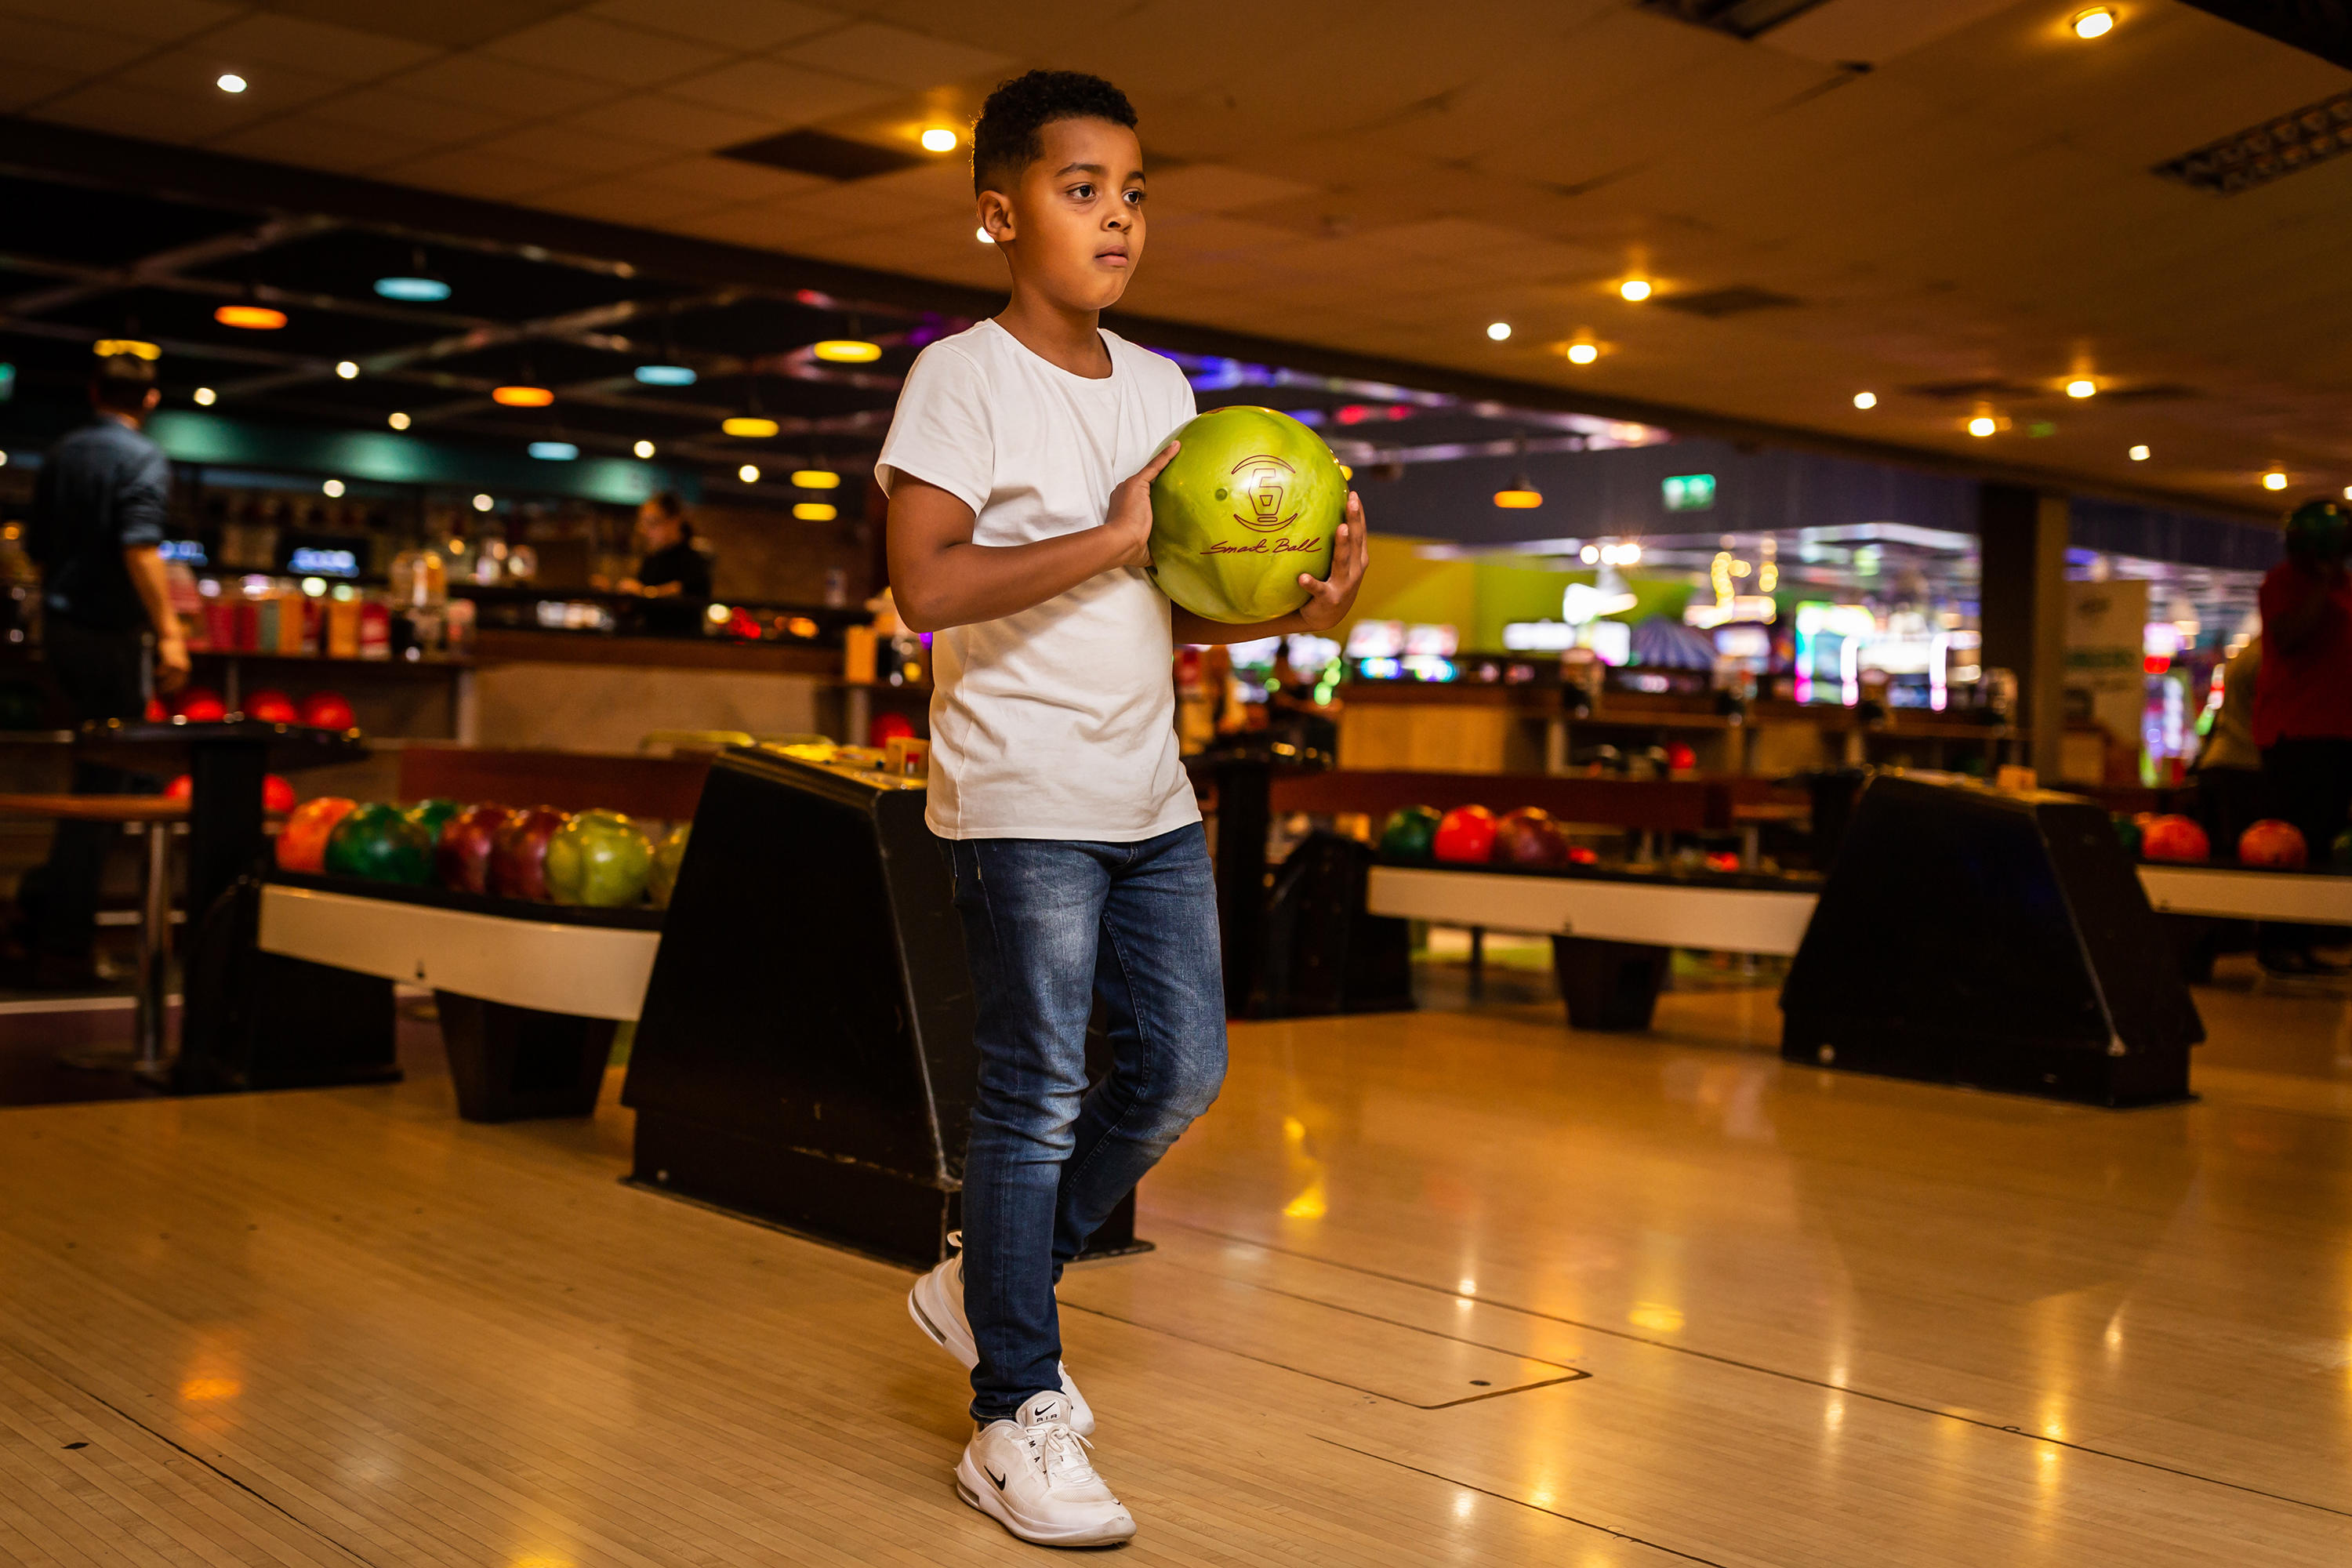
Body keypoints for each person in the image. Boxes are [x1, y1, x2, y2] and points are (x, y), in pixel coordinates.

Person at [878, 71, 1367, 1548]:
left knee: (1180, 1076)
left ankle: (985, 1286)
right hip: (1021, 789)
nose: (1117, 218)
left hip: (1149, 789)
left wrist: (1294, 609)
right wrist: (1113, 534)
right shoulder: (960, 377)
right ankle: (1010, 1412)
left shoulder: (1162, 392)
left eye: (1135, 191)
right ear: (999, 211)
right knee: (1031, 1095)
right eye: (1082, 188)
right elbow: (927, 586)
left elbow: (1169, 599)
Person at [22, 353, 189, 985]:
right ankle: (64, 941)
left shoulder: (63, 452)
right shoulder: (142, 457)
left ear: (94, 391)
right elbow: (140, 546)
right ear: (148, 401)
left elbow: (37, 547)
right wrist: (171, 631)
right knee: (114, 785)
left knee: (97, 777)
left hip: (61, 634)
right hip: (110, 637)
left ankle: (48, 916)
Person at [2253, 499, 2352, 973]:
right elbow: (2291, 636)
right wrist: (2320, 583)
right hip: (2296, 733)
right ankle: (2276, 942)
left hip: (2338, 731)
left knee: (2323, 838)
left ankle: (2301, 939)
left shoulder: (2344, 586)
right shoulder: (2283, 583)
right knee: (2292, 841)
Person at [617, 492, 710, 634]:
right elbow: (634, 610)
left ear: (674, 521)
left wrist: (644, 592)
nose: (644, 530)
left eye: (652, 523)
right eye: (642, 523)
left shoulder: (692, 559)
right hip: (649, 642)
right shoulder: (651, 559)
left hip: (680, 646)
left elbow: (686, 594)